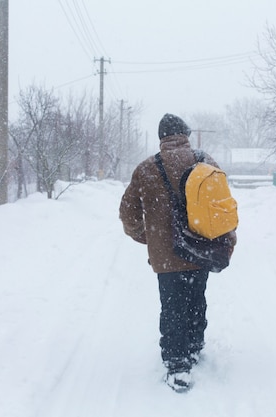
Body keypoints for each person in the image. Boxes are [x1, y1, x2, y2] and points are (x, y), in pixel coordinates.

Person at [119, 113, 236, 392]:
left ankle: (177, 364)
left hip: (165, 256)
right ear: (185, 134)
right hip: (200, 247)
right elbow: (223, 205)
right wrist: (225, 240)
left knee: (172, 307)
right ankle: (194, 345)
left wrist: (148, 238)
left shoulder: (147, 168)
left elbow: (128, 214)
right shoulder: (205, 162)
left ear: (162, 138)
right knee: (196, 297)